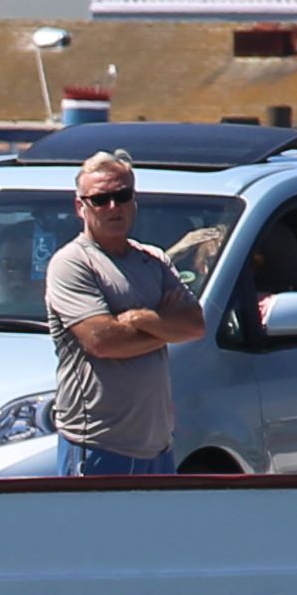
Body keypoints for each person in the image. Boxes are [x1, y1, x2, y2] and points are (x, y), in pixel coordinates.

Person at [41, 151, 195, 476]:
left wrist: (143, 319)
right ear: (80, 207)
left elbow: (194, 325)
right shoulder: (72, 263)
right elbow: (103, 341)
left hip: (157, 445)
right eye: (100, 199)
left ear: (134, 200)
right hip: (96, 445)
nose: (114, 207)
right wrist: (166, 328)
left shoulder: (153, 259)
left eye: (122, 196)